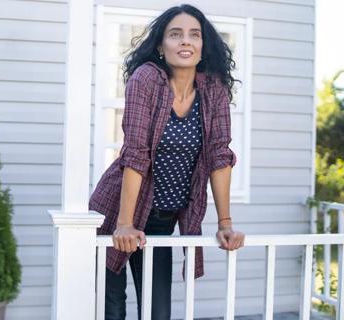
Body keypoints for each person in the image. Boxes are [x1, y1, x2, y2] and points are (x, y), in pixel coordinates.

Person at [88, 4, 246, 320]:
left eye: (194, 35)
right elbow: (135, 154)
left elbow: (219, 155)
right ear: (161, 46)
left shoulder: (213, 89)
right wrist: (125, 223)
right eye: (175, 35)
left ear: (204, 45)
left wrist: (225, 223)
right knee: (112, 310)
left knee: (158, 312)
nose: (185, 41)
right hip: (116, 212)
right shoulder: (146, 79)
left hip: (161, 221)